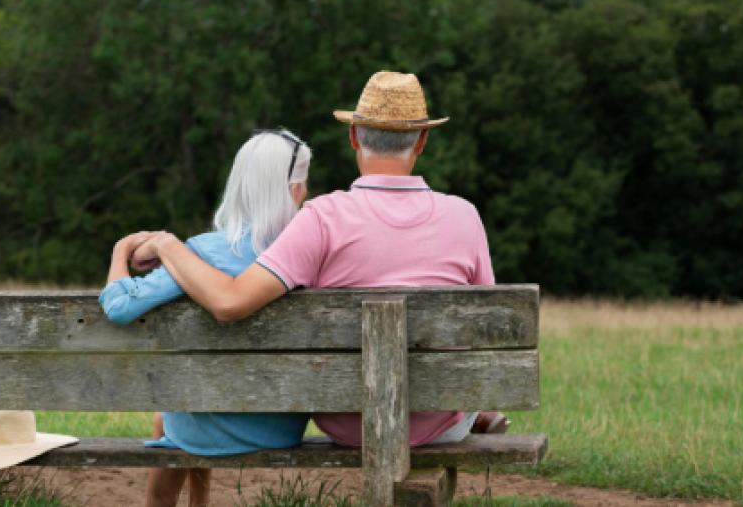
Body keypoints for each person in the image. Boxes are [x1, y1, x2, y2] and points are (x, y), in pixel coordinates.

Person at [131, 71, 507, 452]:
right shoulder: (465, 216)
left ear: (354, 136)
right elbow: (484, 327)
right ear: (422, 141)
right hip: (437, 421)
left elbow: (230, 303)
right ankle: (480, 415)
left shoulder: (321, 218)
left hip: (348, 423)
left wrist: (168, 246)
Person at [101, 129, 314, 507]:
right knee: (186, 403)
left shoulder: (202, 253)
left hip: (206, 424)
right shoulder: (308, 254)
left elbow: (119, 307)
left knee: (173, 409)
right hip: (281, 426)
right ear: (294, 190)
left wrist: (121, 251)